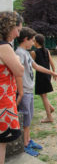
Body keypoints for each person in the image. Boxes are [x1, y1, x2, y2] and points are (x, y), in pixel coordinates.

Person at [16, 27, 57, 157]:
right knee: (25, 118)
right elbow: (17, 73)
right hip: (24, 91)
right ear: (25, 39)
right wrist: (20, 92)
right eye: (32, 40)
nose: (33, 42)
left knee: (29, 118)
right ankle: (25, 144)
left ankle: (28, 140)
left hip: (28, 90)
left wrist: (52, 72)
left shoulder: (26, 52)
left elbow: (36, 66)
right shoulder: (19, 53)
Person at [0, 11, 24, 164]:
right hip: (3, 101)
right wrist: (16, 58)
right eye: (18, 29)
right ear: (9, 27)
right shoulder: (4, 47)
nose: (17, 34)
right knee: (1, 142)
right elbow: (19, 71)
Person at [30, 34, 56, 123]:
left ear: (36, 42)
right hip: (47, 74)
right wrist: (53, 73)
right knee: (42, 94)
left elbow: (32, 66)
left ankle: (49, 117)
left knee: (43, 95)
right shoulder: (46, 50)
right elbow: (52, 63)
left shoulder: (34, 52)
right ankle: (51, 108)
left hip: (41, 75)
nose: (32, 42)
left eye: (33, 40)